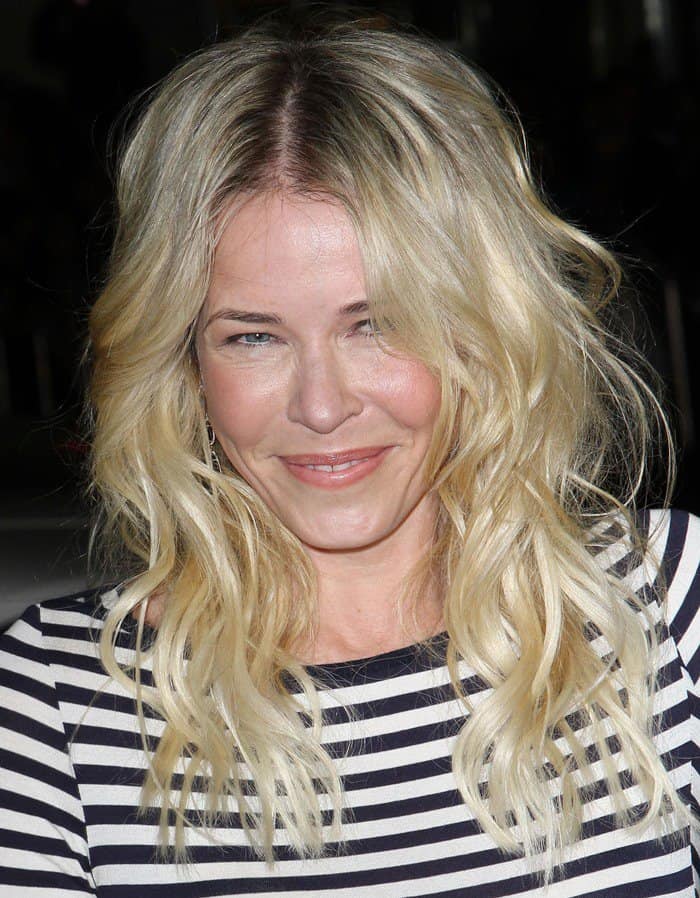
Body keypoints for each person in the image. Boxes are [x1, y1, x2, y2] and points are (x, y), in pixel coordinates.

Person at [0, 12, 697, 897]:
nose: (322, 406)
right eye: (253, 337)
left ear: (486, 331)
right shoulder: (53, 703)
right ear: (183, 363)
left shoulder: (667, 602)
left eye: (378, 324)